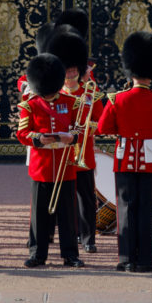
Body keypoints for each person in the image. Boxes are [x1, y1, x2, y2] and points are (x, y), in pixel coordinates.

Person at [97, 31, 152, 273]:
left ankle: (126, 258)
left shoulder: (118, 99)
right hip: (151, 163)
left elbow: (102, 127)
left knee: (126, 209)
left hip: (124, 161)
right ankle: (146, 261)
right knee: (146, 211)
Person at [16, 52, 84, 268]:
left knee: (67, 215)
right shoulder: (30, 104)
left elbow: (81, 129)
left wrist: (72, 137)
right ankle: (37, 253)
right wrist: (39, 139)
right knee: (39, 215)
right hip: (42, 167)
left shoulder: (71, 102)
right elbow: (22, 133)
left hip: (65, 166)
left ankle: (70, 254)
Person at [46, 27, 103, 253]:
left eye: (72, 73)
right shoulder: (54, 93)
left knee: (86, 200)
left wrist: (84, 126)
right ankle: (61, 236)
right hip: (60, 155)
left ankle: (89, 238)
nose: (69, 77)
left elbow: (100, 122)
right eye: (66, 73)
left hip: (83, 153)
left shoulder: (90, 93)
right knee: (62, 200)